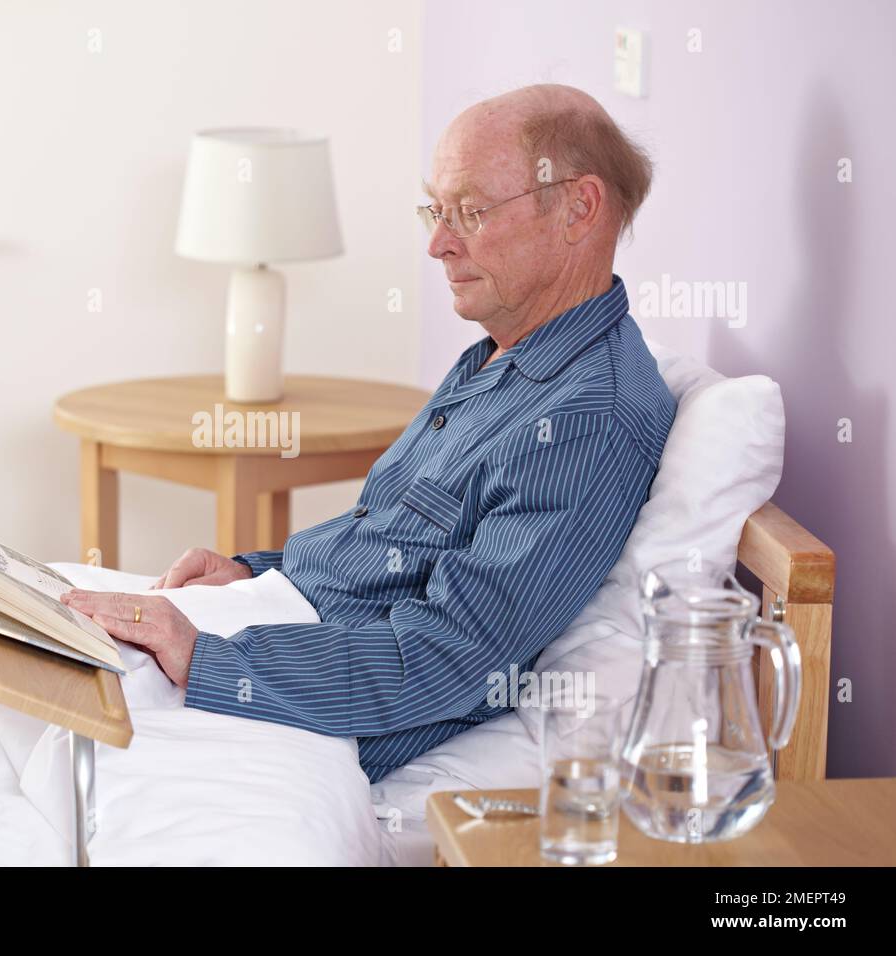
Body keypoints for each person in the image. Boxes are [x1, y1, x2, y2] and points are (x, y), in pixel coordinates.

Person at [62, 84, 676, 782]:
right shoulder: (502, 355)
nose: (439, 245)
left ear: (578, 208)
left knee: (26, 713)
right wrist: (258, 570)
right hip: (270, 624)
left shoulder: (585, 421)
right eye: (436, 212)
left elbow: (453, 655)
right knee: (6, 622)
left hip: (302, 696)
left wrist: (207, 657)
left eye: (471, 212)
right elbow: (384, 547)